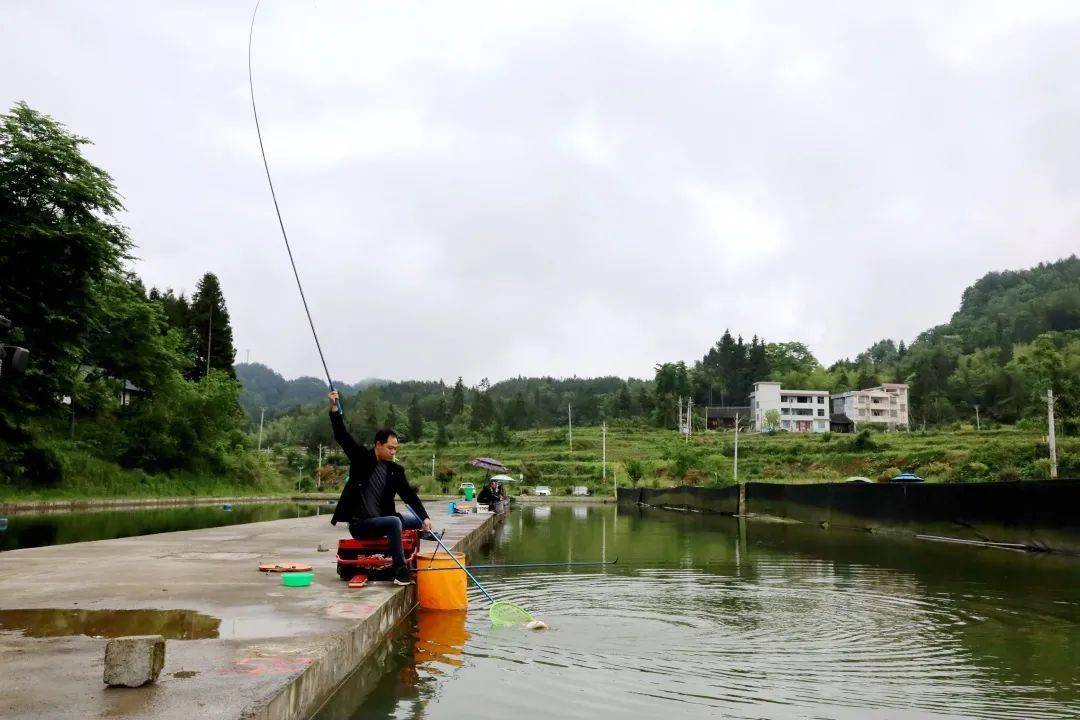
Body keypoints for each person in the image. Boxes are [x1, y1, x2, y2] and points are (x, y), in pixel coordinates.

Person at [327, 389, 432, 586]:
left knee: (416, 520)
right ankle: (400, 572)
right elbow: (342, 435)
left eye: (395, 449)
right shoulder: (360, 459)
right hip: (361, 525)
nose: (393, 452)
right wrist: (334, 407)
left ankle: (410, 555)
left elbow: (409, 496)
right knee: (394, 522)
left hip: (382, 519)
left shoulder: (395, 470)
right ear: (378, 445)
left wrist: (425, 517)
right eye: (390, 448)